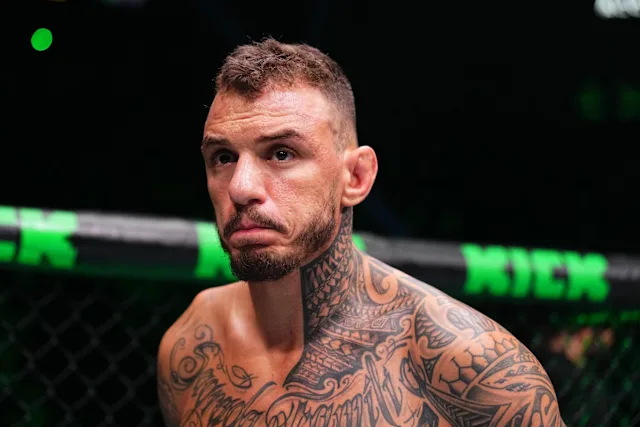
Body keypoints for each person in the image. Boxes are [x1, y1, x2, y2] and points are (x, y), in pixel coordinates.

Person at [156, 37, 566, 426]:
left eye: (281, 153)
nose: (241, 188)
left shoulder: (473, 366)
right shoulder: (194, 344)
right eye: (223, 157)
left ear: (356, 177)